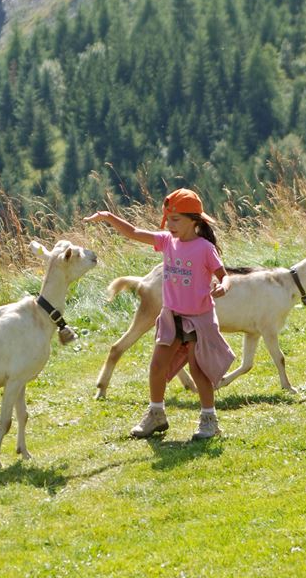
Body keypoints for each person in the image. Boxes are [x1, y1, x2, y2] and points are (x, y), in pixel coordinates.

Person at [84, 188, 235, 440]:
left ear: (194, 220)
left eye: (176, 220)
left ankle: (209, 419)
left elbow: (224, 276)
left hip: (198, 320)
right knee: (157, 366)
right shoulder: (166, 241)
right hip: (171, 317)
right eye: (168, 220)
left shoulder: (205, 248)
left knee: (199, 371)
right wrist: (109, 217)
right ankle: (156, 415)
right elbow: (133, 233)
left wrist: (223, 287)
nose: (170, 225)